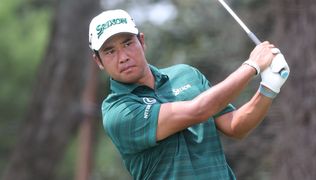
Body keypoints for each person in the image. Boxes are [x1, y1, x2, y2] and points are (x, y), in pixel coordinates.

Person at [88, 9, 289, 180]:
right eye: (110, 51)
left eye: (127, 43)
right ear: (98, 61)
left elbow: (235, 126)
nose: (123, 57)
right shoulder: (117, 111)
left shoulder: (186, 75)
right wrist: (252, 66)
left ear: (141, 41)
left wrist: (269, 88)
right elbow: (197, 111)